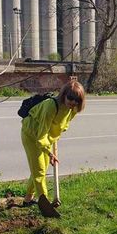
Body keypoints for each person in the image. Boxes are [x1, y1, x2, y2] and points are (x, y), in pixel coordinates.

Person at [21, 79, 86, 216]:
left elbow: (61, 126)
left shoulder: (72, 110)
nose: (73, 102)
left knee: (42, 170)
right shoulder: (51, 106)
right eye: (71, 98)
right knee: (39, 170)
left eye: (77, 100)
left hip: (46, 137)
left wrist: (53, 140)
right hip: (32, 135)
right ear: (64, 95)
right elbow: (41, 134)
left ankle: (27, 199)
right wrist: (49, 153)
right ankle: (46, 207)